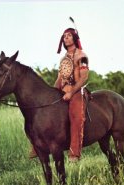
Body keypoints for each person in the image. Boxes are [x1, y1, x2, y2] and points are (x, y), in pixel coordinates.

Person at [29, 26, 89, 162]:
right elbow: (59, 79)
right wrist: (51, 92)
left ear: (74, 38)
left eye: (68, 35)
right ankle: (38, 147)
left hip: (76, 91)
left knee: (77, 117)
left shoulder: (82, 56)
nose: (66, 37)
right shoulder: (63, 59)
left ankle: (74, 153)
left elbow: (84, 78)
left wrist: (72, 92)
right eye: (64, 36)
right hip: (62, 90)